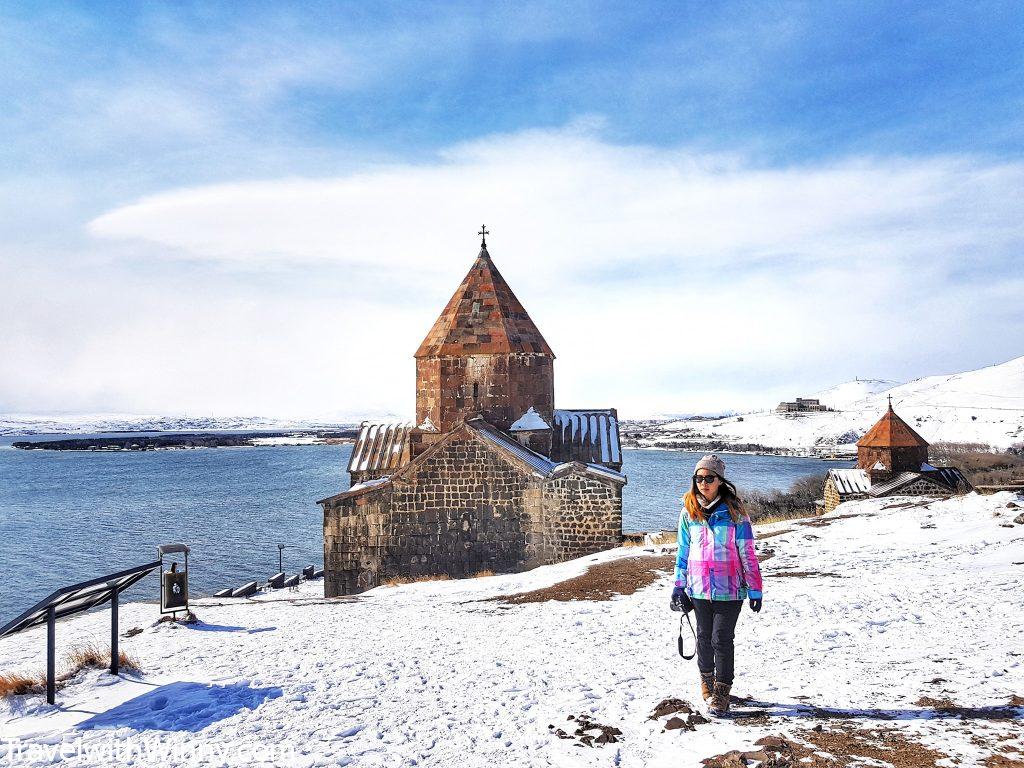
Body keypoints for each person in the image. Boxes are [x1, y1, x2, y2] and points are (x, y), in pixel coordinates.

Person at [670, 454, 763, 716]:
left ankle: (722, 692)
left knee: (721, 639)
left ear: (720, 481)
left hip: (730, 588)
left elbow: (748, 553)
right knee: (703, 638)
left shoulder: (735, 512)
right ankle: (707, 683)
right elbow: (683, 552)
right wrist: (679, 586)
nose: (703, 483)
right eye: (698, 478)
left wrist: (755, 588)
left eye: (709, 478)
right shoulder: (689, 512)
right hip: (698, 588)